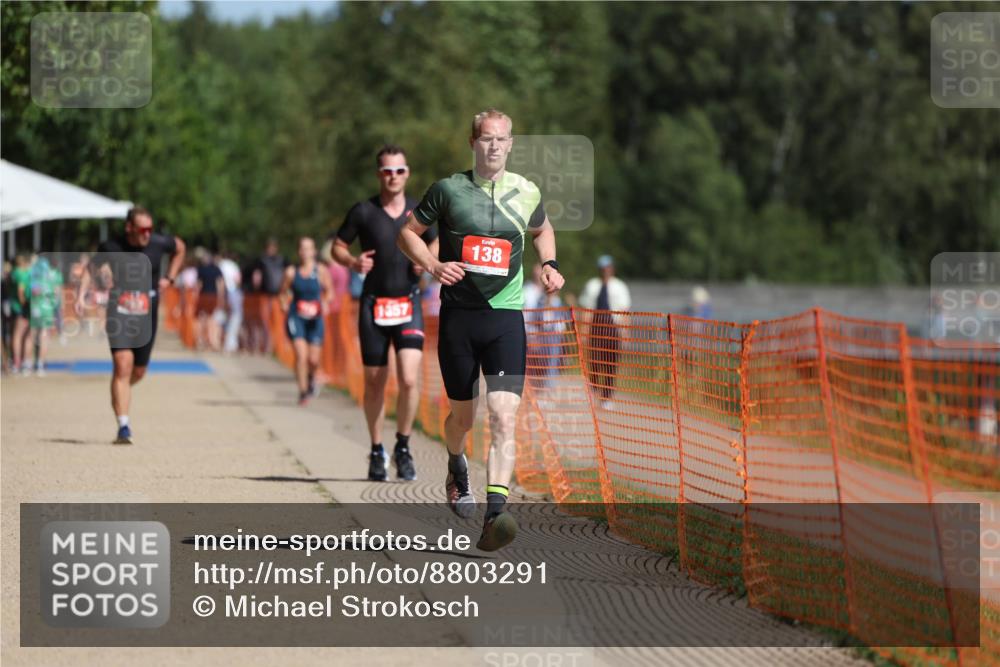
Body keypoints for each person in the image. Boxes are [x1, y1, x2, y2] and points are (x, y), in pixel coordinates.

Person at [397, 109, 565, 551]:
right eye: (487, 139)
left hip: (506, 318)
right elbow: (407, 234)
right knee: (463, 419)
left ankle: (495, 513)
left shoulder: (526, 191)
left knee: (504, 416)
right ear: (473, 142)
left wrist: (548, 263)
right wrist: (432, 264)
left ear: (511, 144)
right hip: (459, 318)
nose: (494, 146)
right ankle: (456, 464)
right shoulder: (448, 190)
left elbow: (543, 229)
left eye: (502, 139)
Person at [331, 144, 437, 483]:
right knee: (374, 383)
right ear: (379, 174)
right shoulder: (363, 211)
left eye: (400, 171)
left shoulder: (419, 211)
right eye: (387, 171)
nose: (393, 177)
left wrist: (426, 262)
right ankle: (377, 449)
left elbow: (436, 241)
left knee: (408, 378)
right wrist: (352, 261)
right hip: (374, 303)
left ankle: (403, 446)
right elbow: (338, 246)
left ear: (408, 174)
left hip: (407, 302)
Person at [77, 206, 186, 444]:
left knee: (138, 371)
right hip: (120, 312)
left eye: (150, 228)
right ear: (129, 228)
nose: (147, 233)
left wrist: (170, 277)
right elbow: (91, 268)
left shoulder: (158, 243)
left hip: (147, 315)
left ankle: (120, 390)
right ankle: (123, 425)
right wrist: (82, 293)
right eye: (142, 229)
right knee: (123, 364)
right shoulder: (111, 247)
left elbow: (180, 247)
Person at [280, 236, 332, 405]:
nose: (305, 252)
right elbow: (283, 293)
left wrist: (325, 302)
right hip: (297, 317)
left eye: (308, 248)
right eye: (302, 248)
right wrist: (284, 304)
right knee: (301, 356)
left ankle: (311, 379)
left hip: (315, 318)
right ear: (298, 252)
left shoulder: (321, 271)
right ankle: (302, 392)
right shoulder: (291, 272)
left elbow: (330, 292)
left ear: (314, 251)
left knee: (313, 360)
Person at [578, 255, 631, 410]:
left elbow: (624, 311)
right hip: (595, 329)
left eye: (608, 268)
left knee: (610, 365)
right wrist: (584, 330)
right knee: (594, 362)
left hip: (613, 330)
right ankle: (593, 390)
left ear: (612, 269)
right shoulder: (592, 285)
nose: (605, 271)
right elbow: (586, 310)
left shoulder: (620, 287)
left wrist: (625, 333)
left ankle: (606, 396)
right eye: (603, 268)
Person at [27, 256, 62, 375]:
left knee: (31, 336)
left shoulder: (33, 278)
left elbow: (29, 294)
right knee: (44, 337)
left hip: (35, 309)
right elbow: (57, 295)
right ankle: (40, 365)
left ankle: (26, 364)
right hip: (47, 310)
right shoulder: (51, 279)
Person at [195, 251, 226, 351]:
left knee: (202, 318)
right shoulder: (216, 269)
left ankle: (202, 340)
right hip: (213, 296)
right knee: (211, 319)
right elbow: (220, 284)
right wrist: (221, 297)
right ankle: (211, 341)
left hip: (204, 296)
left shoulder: (201, 269)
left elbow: (198, 284)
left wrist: (196, 295)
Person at [10, 254, 33, 375]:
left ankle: (18, 362)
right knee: (24, 335)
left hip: (18, 307)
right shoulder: (23, 273)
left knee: (18, 335)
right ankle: (22, 363)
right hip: (23, 307)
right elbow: (21, 291)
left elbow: (19, 290)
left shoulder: (15, 273)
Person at [218, 250, 243, 354]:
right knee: (235, 318)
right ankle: (230, 343)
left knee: (225, 318)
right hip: (233, 292)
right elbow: (238, 280)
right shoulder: (233, 266)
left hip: (226, 293)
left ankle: (227, 342)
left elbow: (221, 281)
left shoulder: (221, 265)